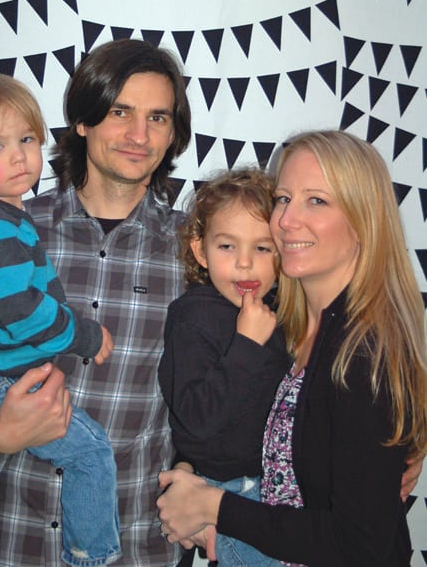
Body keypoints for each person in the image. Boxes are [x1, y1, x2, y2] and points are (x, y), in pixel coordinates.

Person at [0, 38, 192, 567]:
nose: (140, 135)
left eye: (158, 117)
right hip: (13, 544)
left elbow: (245, 379)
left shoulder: (200, 251)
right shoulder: (2, 231)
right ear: (84, 123)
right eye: (120, 112)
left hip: (137, 546)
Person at [157, 130, 427, 567]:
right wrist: (192, 470)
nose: (285, 220)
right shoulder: (291, 324)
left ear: (364, 218)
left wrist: (214, 507)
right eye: (283, 198)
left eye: (316, 200)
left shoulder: (362, 352)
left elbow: (359, 545)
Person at [0, 73, 120, 567]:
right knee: (90, 448)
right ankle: (91, 555)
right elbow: (24, 315)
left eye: (27, 140)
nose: (18, 156)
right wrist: (86, 335)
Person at [158, 167, 291, 566]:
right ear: (200, 251)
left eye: (263, 248)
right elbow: (196, 419)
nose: (245, 264)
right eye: (227, 247)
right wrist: (247, 344)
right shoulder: (193, 317)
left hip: (269, 488)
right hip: (224, 485)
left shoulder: (281, 313)